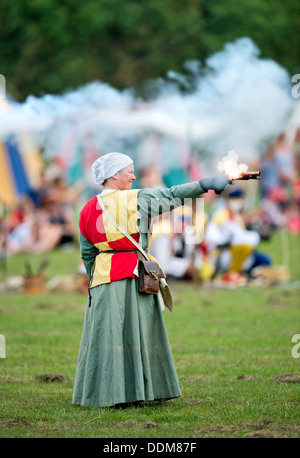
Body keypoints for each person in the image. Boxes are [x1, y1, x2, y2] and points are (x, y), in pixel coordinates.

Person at [72, 152, 230, 408]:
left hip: (102, 278)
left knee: (107, 337)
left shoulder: (86, 208)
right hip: (133, 273)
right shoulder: (136, 199)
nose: (134, 176)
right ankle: (137, 391)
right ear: (114, 175)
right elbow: (170, 196)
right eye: (129, 171)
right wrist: (205, 184)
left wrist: (94, 280)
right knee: (137, 336)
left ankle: (105, 394)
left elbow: (87, 253)